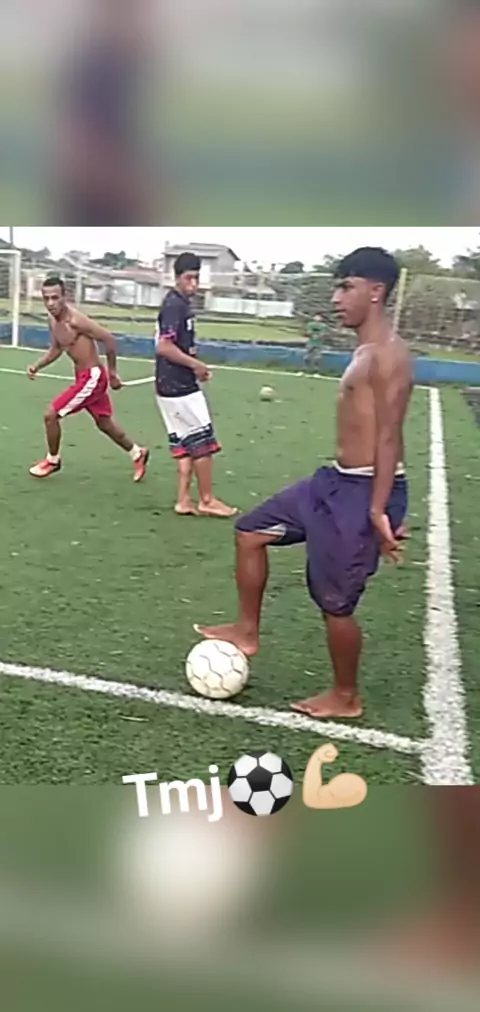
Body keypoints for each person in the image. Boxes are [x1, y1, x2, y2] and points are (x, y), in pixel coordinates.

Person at [196, 247, 413, 719]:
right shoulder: (364, 351)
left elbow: (389, 437)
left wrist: (379, 509)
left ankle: (346, 696)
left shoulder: (390, 356)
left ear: (376, 292)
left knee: (335, 602)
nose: (336, 298)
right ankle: (247, 630)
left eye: (346, 287)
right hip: (334, 481)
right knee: (250, 532)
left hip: (364, 491)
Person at [28, 276, 149, 481]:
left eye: (55, 297)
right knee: (104, 423)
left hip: (93, 377)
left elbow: (108, 338)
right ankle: (137, 453)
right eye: (46, 298)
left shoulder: (76, 321)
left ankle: (52, 460)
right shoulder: (52, 321)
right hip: (83, 378)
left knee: (51, 415)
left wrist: (112, 373)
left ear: (65, 296)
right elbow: (57, 348)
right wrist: (38, 365)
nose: (50, 303)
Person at [155, 252, 237, 518]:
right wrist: (196, 365)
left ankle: (183, 500)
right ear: (177, 277)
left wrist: (194, 367)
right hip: (177, 386)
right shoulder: (174, 305)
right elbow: (164, 346)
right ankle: (207, 500)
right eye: (188, 278)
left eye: (196, 278)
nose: (194, 283)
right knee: (203, 443)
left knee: (186, 445)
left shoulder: (182, 304)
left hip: (172, 384)